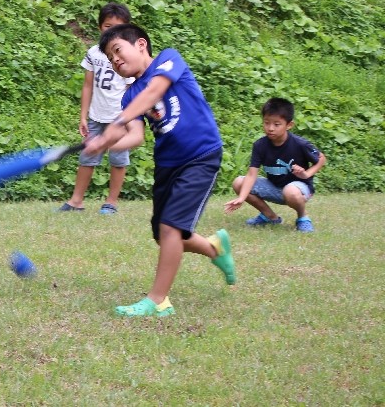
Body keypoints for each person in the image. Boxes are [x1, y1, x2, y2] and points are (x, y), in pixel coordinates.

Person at [83, 23, 235, 317]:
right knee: (164, 236)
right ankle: (215, 249)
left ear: (141, 44)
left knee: (171, 228)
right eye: (110, 58)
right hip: (167, 163)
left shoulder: (169, 59)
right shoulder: (129, 96)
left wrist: (115, 124)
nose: (115, 60)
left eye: (118, 50)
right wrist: (103, 144)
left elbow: (154, 91)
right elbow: (135, 136)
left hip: (200, 154)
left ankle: (157, 300)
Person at [57, 2, 134, 215]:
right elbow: (87, 85)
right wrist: (83, 116)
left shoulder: (128, 56)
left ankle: (111, 203)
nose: (112, 31)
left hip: (119, 118)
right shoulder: (93, 52)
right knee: (87, 158)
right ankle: (76, 201)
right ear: (100, 27)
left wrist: (127, 119)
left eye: (118, 27)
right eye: (108, 26)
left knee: (118, 160)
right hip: (96, 117)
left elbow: (132, 90)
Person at [224, 97, 326, 233]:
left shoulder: (300, 144)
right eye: (266, 123)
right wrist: (241, 198)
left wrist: (306, 174)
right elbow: (252, 174)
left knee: (290, 191)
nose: (270, 128)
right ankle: (270, 217)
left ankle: (303, 218)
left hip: (298, 190)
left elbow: (321, 158)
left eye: (277, 124)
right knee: (239, 183)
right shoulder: (260, 145)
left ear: (289, 125)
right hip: (275, 186)